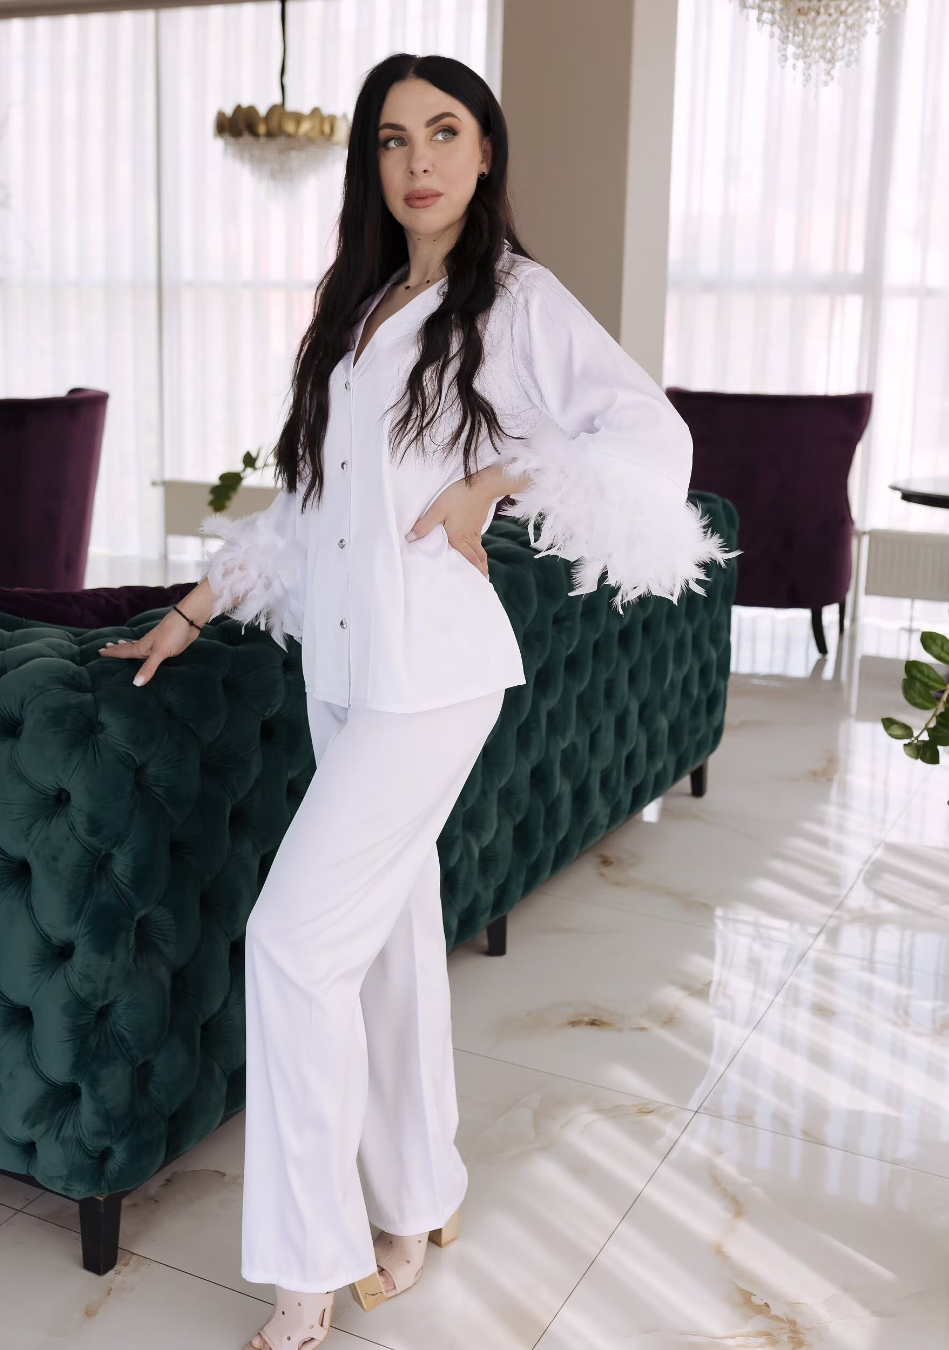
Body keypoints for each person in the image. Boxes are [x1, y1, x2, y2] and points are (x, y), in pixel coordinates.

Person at [100, 51, 732, 1350]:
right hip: (344, 666)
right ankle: (421, 1195)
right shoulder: (366, 307)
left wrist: (494, 480)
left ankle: (307, 1266)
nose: (419, 159)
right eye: (393, 140)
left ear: (486, 150)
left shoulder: (518, 299)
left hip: (433, 674)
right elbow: (313, 510)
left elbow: (652, 439)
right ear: (371, 166)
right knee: (384, 946)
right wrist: (191, 608)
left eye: (444, 132)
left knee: (291, 945)